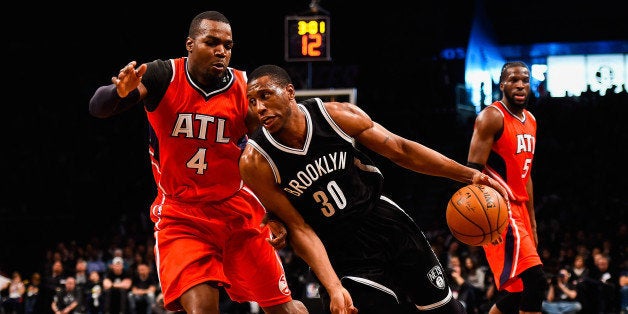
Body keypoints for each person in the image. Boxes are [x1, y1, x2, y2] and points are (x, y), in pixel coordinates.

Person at [89, 10, 324, 314]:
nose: (221, 51)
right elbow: (98, 106)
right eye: (212, 42)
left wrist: (273, 211)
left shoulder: (245, 88)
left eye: (227, 46)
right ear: (190, 44)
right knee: (202, 308)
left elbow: (269, 156)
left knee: (285, 309)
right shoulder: (163, 75)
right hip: (182, 216)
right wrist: (118, 92)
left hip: (235, 210)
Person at [240, 64, 510, 313]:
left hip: (385, 222)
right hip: (338, 249)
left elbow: (401, 149)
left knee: (445, 311)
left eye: (265, 95)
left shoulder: (336, 116)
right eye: (253, 101)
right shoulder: (256, 161)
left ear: (289, 92)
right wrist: (333, 286)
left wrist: (470, 175)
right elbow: (299, 228)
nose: (259, 107)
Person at [466, 61, 546, 313]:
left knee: (517, 291)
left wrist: (532, 219)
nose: (520, 84)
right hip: (499, 207)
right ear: (502, 85)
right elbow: (472, 173)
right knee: (536, 280)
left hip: (520, 209)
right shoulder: (491, 117)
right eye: (513, 80)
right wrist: (482, 220)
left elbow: (526, 175)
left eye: (525, 79)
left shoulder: (531, 120)